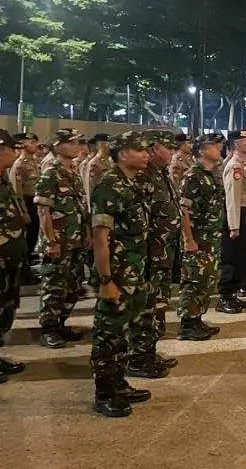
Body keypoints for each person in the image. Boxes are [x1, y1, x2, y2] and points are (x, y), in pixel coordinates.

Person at [90, 131, 154, 417]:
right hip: (116, 273)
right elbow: (99, 237)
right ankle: (104, 393)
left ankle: (118, 383)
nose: (146, 154)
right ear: (123, 153)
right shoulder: (109, 185)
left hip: (133, 270)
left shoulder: (131, 182)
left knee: (125, 330)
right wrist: (105, 280)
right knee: (109, 333)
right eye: (140, 150)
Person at [129, 130, 182, 375]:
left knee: (158, 303)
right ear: (152, 149)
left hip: (163, 251)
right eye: (167, 147)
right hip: (149, 253)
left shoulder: (160, 173)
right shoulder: (142, 177)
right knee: (145, 305)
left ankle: (148, 351)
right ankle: (137, 358)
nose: (172, 152)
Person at [35, 129, 90, 349]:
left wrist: (86, 234)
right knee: (54, 286)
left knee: (73, 286)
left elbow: (80, 207)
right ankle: (48, 329)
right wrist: (50, 241)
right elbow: (43, 211)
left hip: (75, 240)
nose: (78, 146)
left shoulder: (73, 173)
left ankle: (60, 323)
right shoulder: (50, 173)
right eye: (72, 142)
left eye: (78, 142)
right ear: (57, 146)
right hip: (58, 241)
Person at [178, 132, 226, 341]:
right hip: (197, 239)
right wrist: (188, 240)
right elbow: (184, 211)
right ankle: (187, 325)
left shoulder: (210, 174)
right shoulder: (193, 176)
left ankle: (197, 319)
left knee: (207, 280)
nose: (219, 148)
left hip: (211, 238)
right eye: (215, 145)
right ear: (202, 150)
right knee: (194, 281)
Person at [218, 129, 246, 313]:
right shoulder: (235, 166)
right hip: (240, 215)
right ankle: (225, 297)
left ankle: (236, 292)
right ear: (237, 144)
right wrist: (234, 225)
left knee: (245, 255)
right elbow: (232, 199)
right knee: (233, 257)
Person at [0, 129, 28, 384]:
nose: (16, 153)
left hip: (9, 258)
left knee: (6, 307)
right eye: (12, 149)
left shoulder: (3, 177)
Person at [10, 132, 41, 285]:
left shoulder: (34, 161)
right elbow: (17, 192)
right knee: (26, 240)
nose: (35, 144)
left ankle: (27, 268)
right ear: (22, 144)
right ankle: (23, 272)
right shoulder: (19, 164)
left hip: (35, 204)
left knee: (33, 238)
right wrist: (23, 211)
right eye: (31, 142)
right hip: (27, 204)